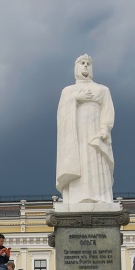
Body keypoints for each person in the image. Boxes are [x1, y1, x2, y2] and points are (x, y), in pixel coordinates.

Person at [55, 54, 115, 205]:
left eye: (88, 63)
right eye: (82, 63)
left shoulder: (103, 89)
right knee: (80, 160)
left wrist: (105, 128)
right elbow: (61, 115)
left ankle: (99, 197)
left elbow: (108, 110)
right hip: (76, 134)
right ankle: (75, 197)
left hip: (95, 133)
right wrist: (76, 99)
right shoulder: (68, 91)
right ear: (76, 67)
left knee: (96, 158)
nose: (86, 65)